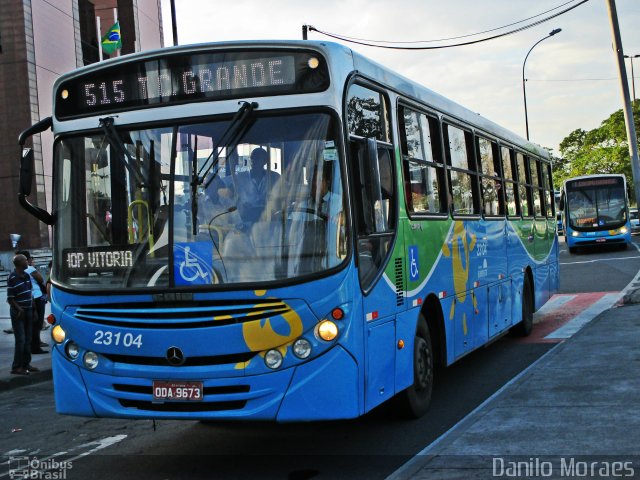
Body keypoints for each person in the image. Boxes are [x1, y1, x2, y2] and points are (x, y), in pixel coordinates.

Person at [6, 254, 39, 375]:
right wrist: (19, 309)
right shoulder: (12, 277)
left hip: (29, 310)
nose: (28, 261)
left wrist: (34, 310)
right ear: (20, 263)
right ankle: (16, 367)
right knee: (20, 339)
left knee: (28, 339)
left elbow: (30, 294)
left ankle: (26, 364)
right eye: (25, 260)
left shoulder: (26, 275)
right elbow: (10, 298)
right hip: (19, 313)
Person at [17, 250, 48, 354]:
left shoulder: (17, 271)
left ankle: (34, 344)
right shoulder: (30, 269)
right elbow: (41, 280)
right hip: (37, 297)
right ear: (27, 260)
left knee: (31, 323)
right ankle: (35, 346)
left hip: (27, 298)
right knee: (37, 322)